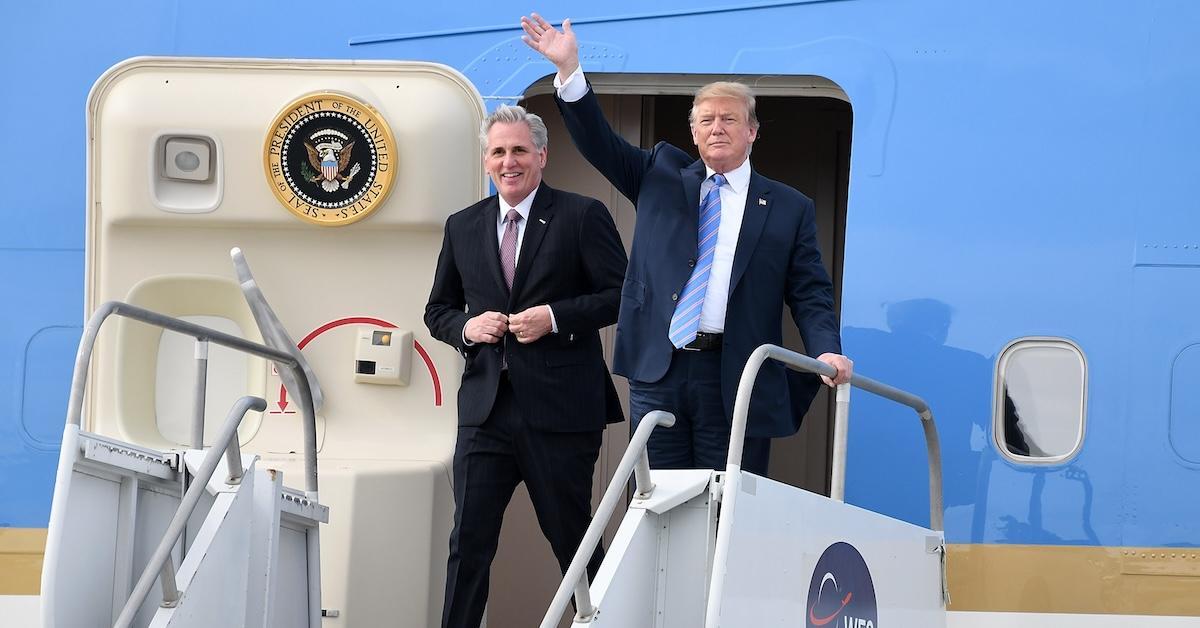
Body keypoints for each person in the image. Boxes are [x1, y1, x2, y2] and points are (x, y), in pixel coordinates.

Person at [521, 14, 853, 477]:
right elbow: (599, 143)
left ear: (752, 132)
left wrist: (825, 350)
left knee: (724, 508)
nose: (717, 128)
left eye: (729, 119)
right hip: (661, 370)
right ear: (694, 132)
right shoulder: (659, 174)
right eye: (706, 120)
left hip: (736, 376)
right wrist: (570, 71)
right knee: (662, 506)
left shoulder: (788, 206)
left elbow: (810, 291)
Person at [424, 104, 627, 628]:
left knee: (574, 544)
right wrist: (468, 329)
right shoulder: (462, 225)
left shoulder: (582, 215)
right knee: (467, 546)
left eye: (518, 150)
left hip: (560, 413)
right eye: (498, 151)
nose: (508, 161)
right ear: (486, 160)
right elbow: (437, 311)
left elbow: (622, 296)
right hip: (485, 412)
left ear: (541, 154)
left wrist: (556, 317)